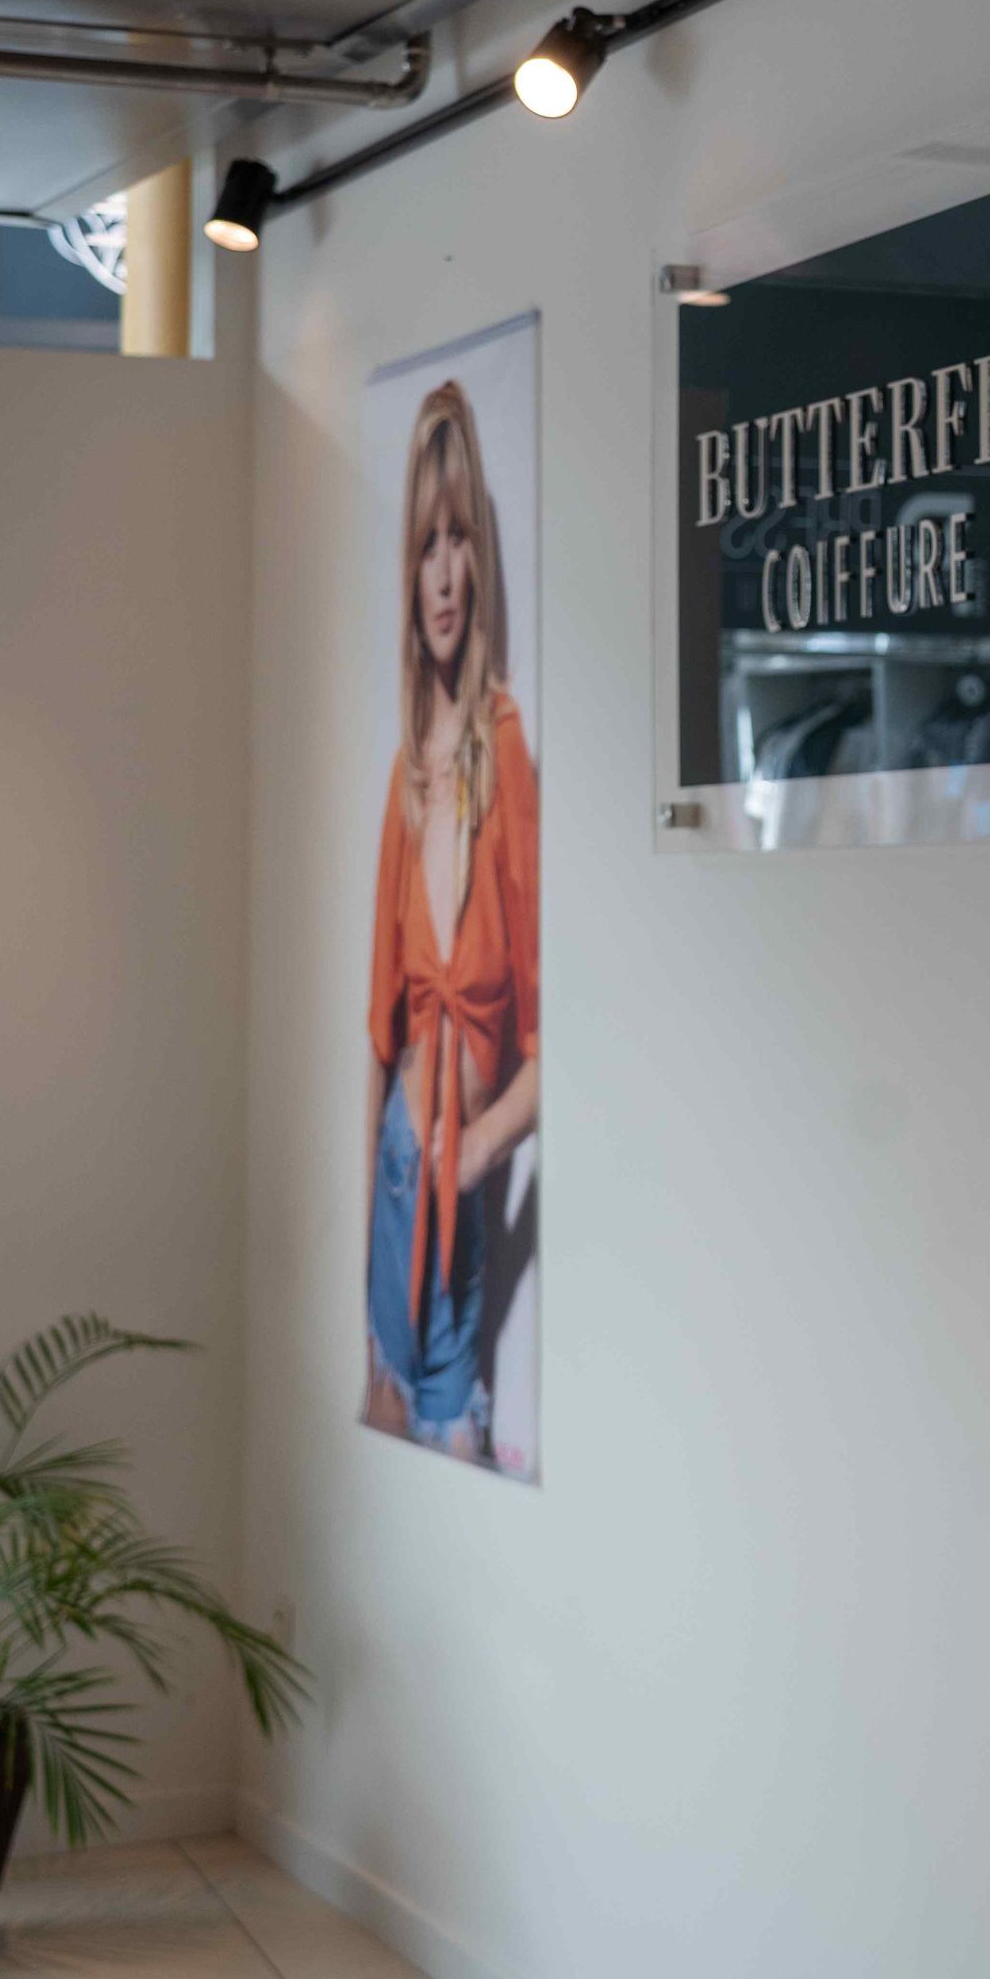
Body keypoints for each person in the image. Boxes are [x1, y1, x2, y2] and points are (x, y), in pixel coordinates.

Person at [364, 380, 539, 1462]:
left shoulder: (503, 745)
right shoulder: (401, 773)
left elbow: (554, 1049)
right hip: (389, 1195)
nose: (442, 573)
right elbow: (373, 1046)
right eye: (426, 543)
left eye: (460, 538)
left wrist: (472, 1151)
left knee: (454, 1445)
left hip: (448, 1191)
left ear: (481, 562)